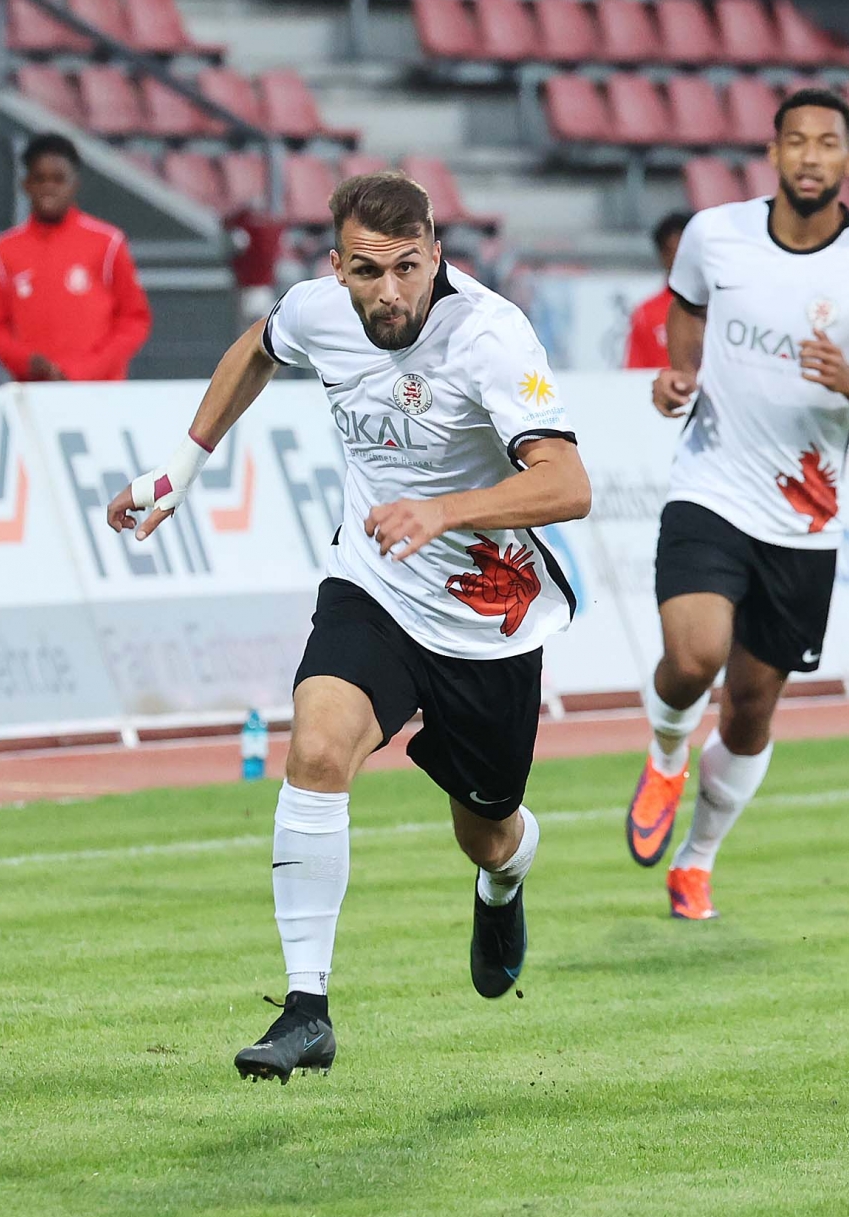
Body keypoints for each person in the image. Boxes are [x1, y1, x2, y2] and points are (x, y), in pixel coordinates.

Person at [105, 172, 591, 1083]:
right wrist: (178, 471)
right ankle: (306, 1010)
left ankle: (505, 878)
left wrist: (443, 512)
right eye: (370, 271)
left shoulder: (491, 336)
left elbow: (568, 485)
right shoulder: (319, 310)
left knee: (485, 830)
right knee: (318, 747)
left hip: (488, 616)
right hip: (374, 585)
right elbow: (259, 344)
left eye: (410, 266)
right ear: (339, 268)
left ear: (438, 254)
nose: (393, 291)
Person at [625, 88, 849, 921]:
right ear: (774, 152)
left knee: (752, 708)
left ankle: (697, 860)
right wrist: (680, 375)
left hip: (804, 519)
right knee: (693, 659)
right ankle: (663, 755)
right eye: (795, 140)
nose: (809, 156)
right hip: (711, 484)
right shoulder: (714, 234)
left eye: (826, 143)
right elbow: (687, 308)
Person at [0, 133, 151, 382]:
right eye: (39, 178)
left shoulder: (108, 242)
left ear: (74, 184)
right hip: (32, 396)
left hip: (99, 393)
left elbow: (134, 319)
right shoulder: (4, 250)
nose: (48, 187)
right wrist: (25, 361)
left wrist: (88, 369)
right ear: (26, 185)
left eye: (58, 179)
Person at [624, 211, 692, 368]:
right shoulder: (646, 313)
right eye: (671, 251)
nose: (678, 259)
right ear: (662, 255)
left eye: (685, 251)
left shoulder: (719, 307)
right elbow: (634, 372)